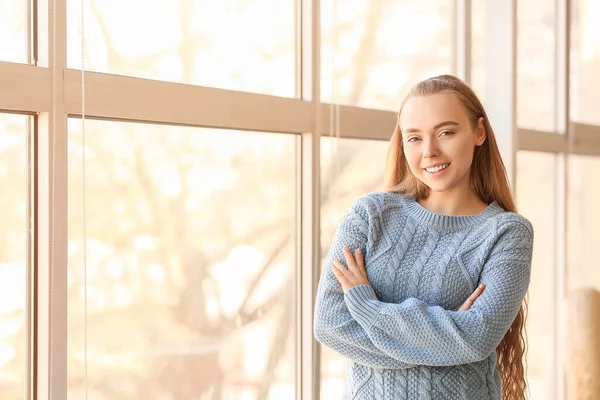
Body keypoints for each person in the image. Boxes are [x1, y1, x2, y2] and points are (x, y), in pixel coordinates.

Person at [313, 74, 533, 400]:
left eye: (445, 132)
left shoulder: (507, 233)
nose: (429, 151)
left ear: (479, 132)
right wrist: (448, 340)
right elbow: (329, 325)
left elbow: (477, 337)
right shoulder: (370, 215)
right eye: (414, 137)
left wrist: (367, 307)